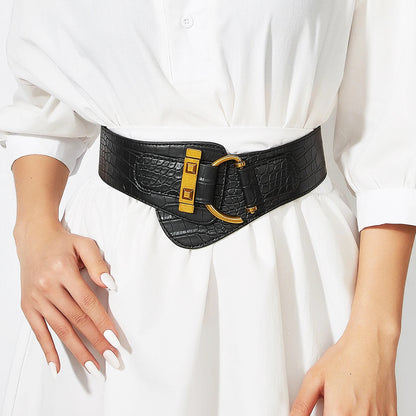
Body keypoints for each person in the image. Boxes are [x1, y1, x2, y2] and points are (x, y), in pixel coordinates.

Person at [0, 0, 415, 415]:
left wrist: (376, 336)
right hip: (106, 282)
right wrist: (33, 230)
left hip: (294, 279)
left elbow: (393, 113)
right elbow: (41, 93)